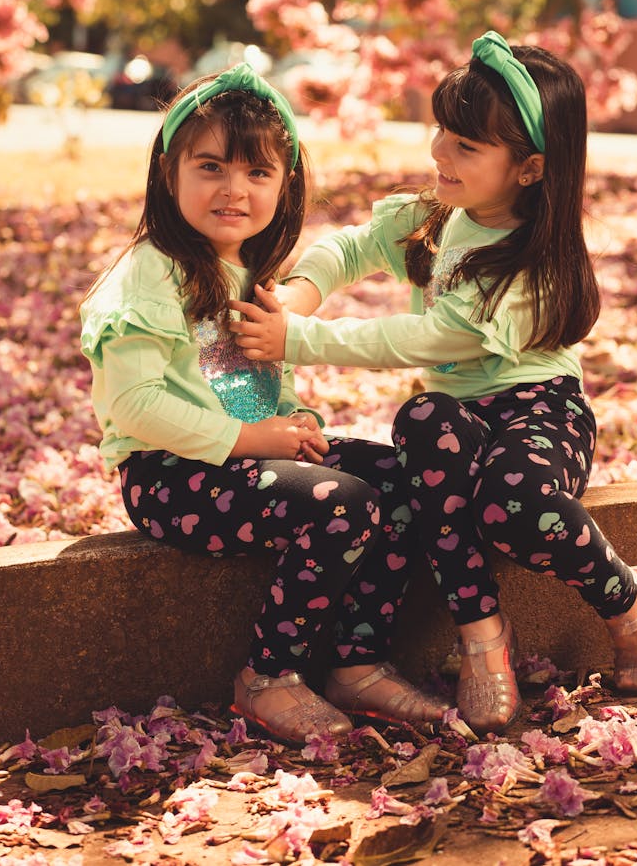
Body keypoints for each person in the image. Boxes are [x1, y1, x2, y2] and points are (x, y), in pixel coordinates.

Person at [230, 32, 637, 735]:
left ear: (529, 168)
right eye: (443, 130)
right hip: (456, 421)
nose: (439, 151)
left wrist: (300, 339)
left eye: (466, 146)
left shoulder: (528, 263)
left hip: (537, 411)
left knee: (510, 501)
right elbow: (351, 247)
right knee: (423, 425)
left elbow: (423, 338)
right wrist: (302, 295)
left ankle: (627, 601)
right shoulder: (439, 219)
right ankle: (483, 638)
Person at [79, 64, 449, 747]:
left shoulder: (249, 273)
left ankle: (357, 660)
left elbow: (257, 385)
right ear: (169, 173)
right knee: (344, 502)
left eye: (258, 173)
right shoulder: (149, 271)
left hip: (242, 459)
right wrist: (254, 440)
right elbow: (134, 403)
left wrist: (297, 420)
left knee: (401, 477)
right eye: (211, 166)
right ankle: (268, 676)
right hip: (171, 474)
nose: (234, 189)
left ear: (286, 184)